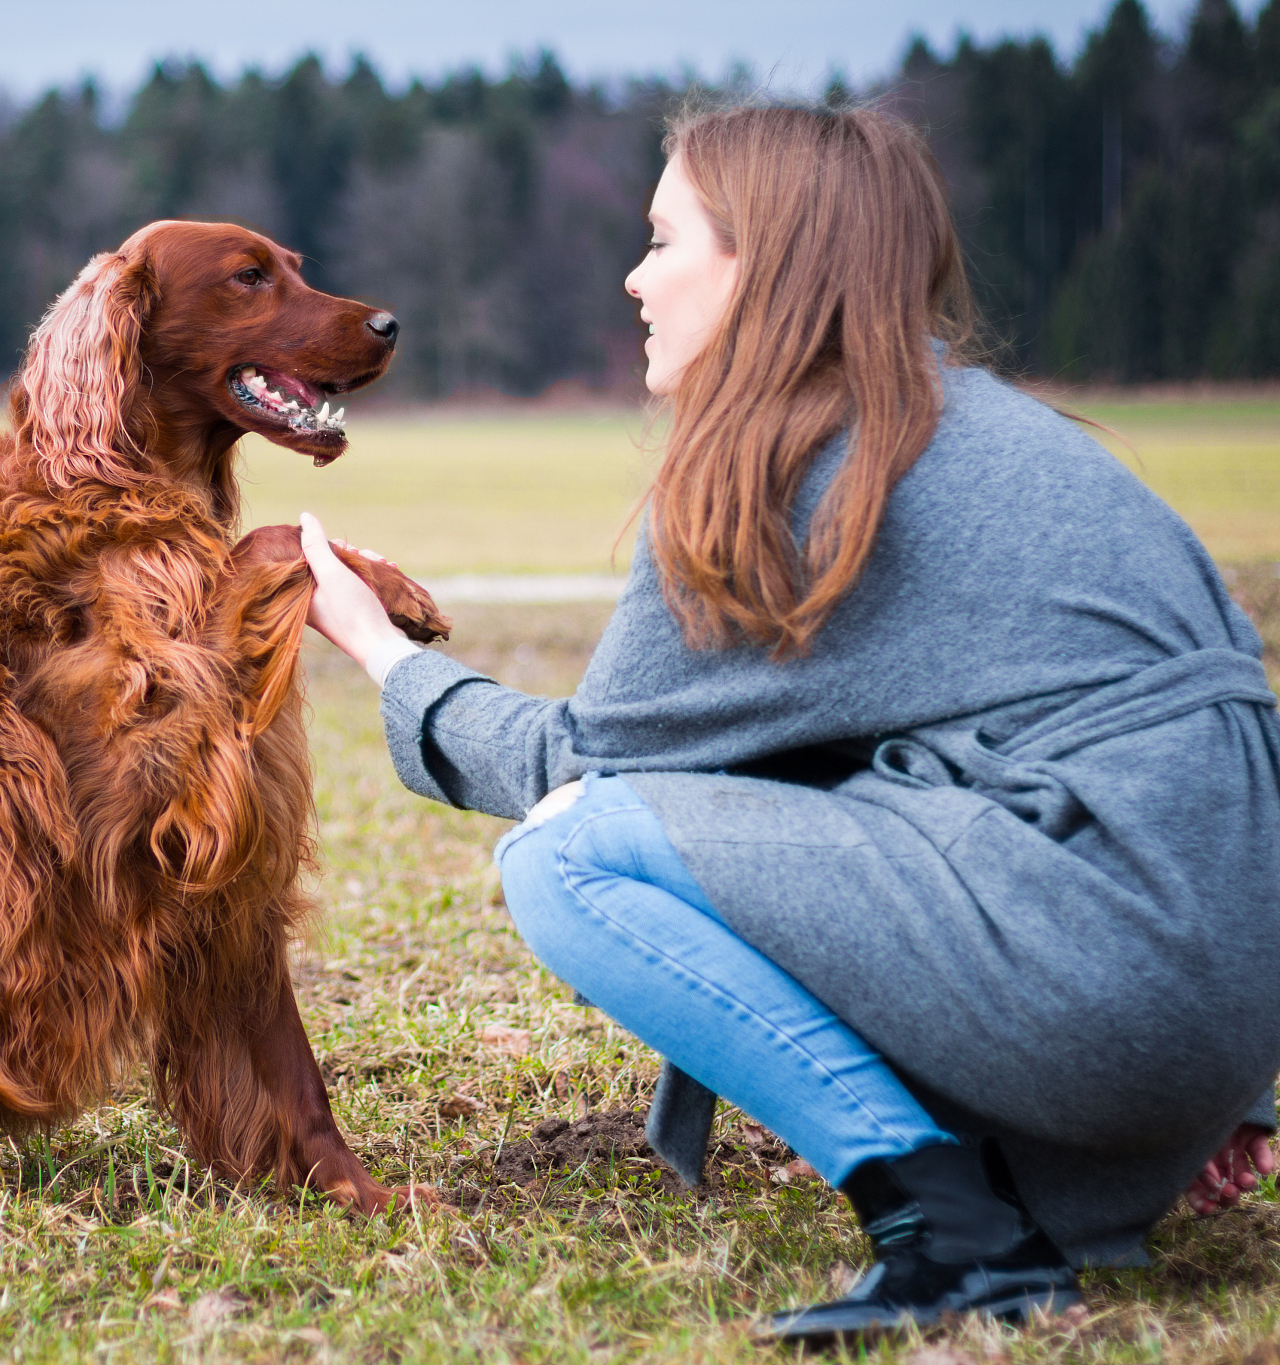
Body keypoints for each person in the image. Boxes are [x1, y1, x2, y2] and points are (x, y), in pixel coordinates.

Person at [297, 102, 1280, 1343]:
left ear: (759, 257)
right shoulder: (1002, 437)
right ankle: (999, 1190)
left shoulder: (797, 461)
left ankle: (947, 1227)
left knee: (570, 853)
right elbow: (1209, 748)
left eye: (661, 240)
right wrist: (1231, 1076)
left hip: (1117, 995)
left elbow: (591, 767)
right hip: (1203, 1004)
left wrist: (374, 650)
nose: (632, 277)